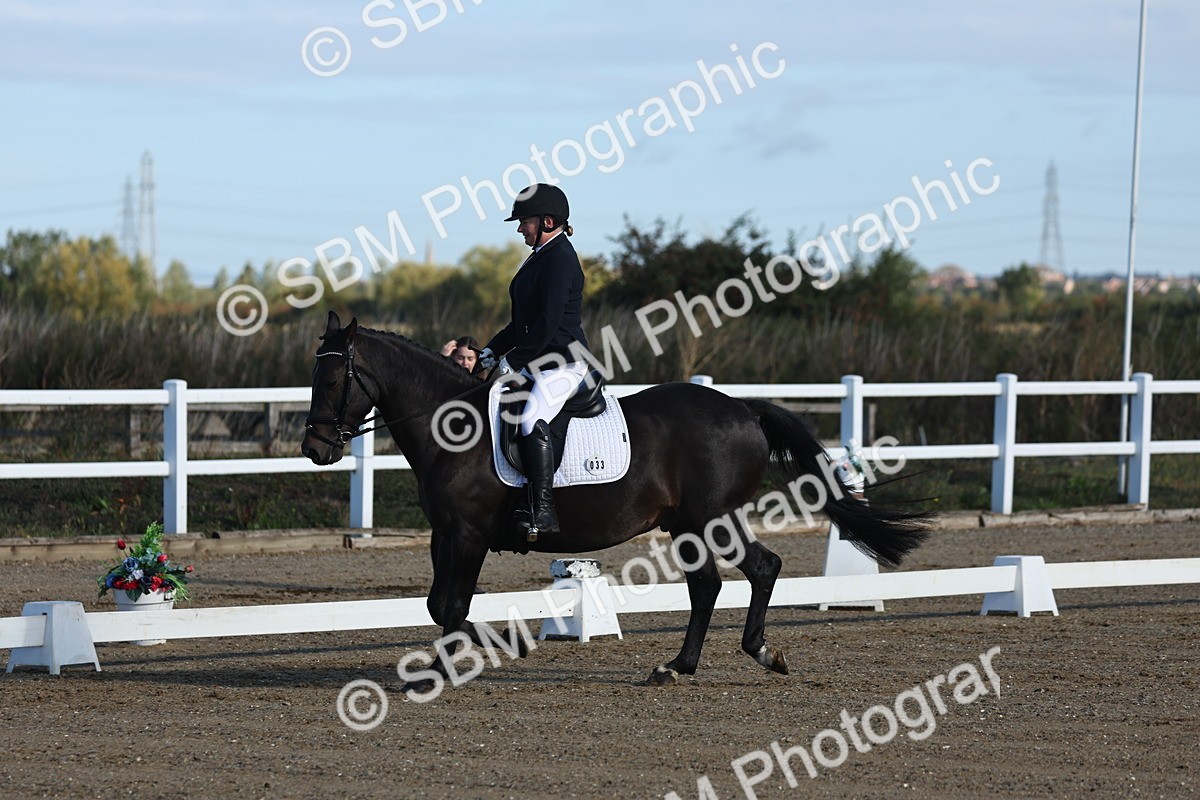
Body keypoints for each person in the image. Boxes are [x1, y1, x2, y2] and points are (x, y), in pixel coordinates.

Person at [478, 184, 591, 538]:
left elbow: (550, 322)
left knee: (530, 417)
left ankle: (544, 511)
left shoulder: (559, 258)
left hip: (564, 362)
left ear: (547, 220)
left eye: (524, 221)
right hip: (540, 360)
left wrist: (517, 360)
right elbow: (523, 322)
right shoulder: (541, 255)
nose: (520, 229)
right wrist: (493, 350)